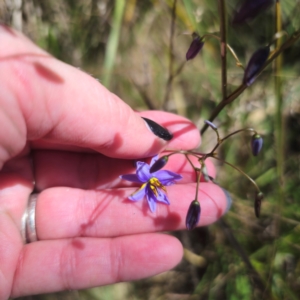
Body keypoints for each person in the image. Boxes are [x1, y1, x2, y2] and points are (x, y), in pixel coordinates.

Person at [0, 25, 231, 299]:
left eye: (154, 184)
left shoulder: (150, 180)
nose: (154, 185)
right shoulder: (148, 177)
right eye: (154, 183)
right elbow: (146, 179)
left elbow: (148, 182)